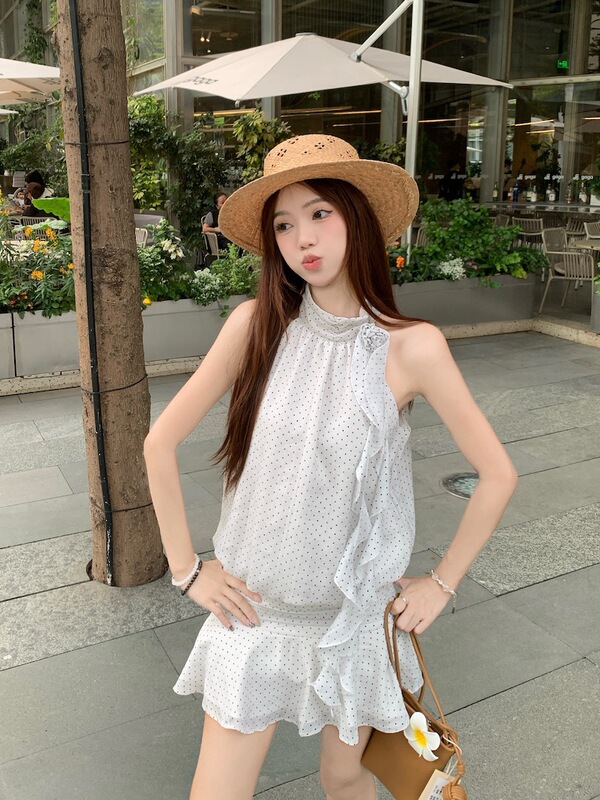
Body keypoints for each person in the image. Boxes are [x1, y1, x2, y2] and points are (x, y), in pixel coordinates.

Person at [143, 134, 518, 800]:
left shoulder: (412, 347)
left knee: (345, 779)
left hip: (354, 621)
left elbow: (498, 474)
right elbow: (158, 443)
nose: (302, 239)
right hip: (255, 613)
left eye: (320, 213)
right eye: (284, 225)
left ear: (358, 219)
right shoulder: (256, 325)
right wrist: (187, 570)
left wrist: (441, 583)